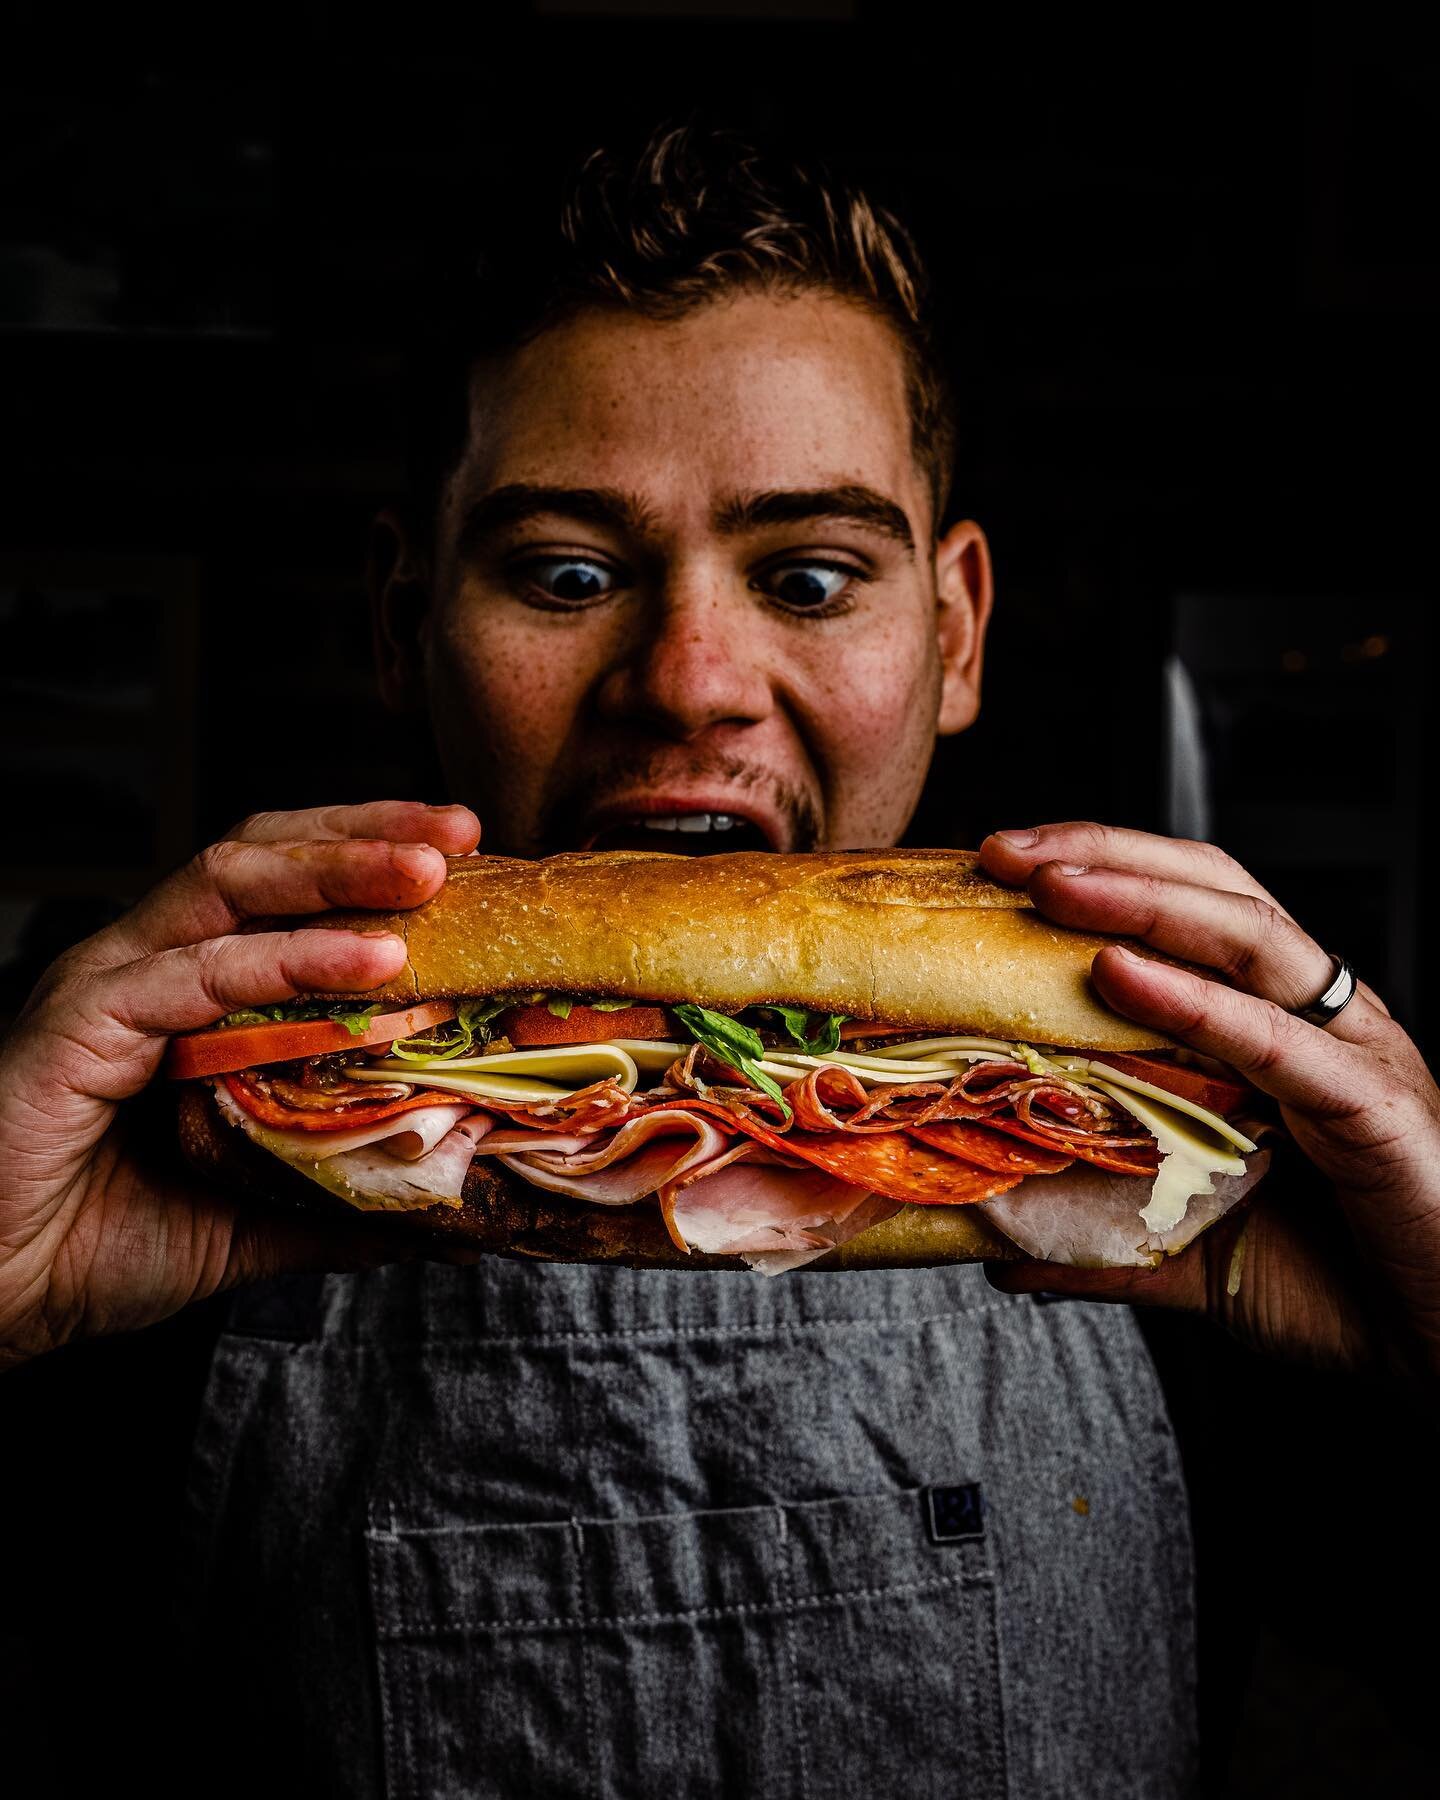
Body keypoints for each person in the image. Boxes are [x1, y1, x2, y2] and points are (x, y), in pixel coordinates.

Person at [2, 119, 1437, 1799]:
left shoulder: (1206, 1178)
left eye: (812, 577)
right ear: (404, 622)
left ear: (956, 632)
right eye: (567, 573)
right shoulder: (145, 1149)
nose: (690, 679)